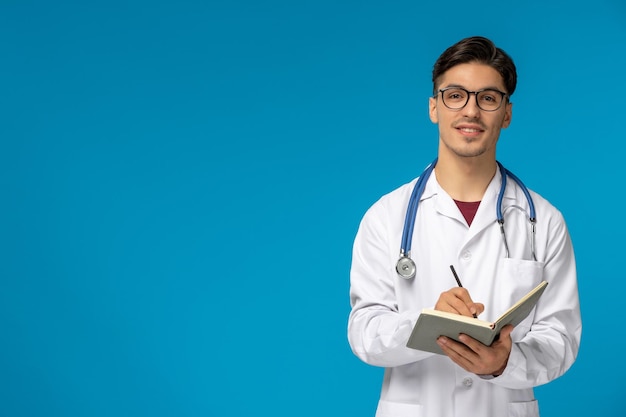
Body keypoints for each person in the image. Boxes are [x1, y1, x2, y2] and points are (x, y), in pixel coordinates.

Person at [347, 36, 581, 417]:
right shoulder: (386, 216)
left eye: (488, 98)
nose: (470, 111)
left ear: (506, 113)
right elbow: (364, 333)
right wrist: (428, 322)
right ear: (434, 108)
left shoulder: (544, 220)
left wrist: (505, 364)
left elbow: (561, 339)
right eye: (455, 95)